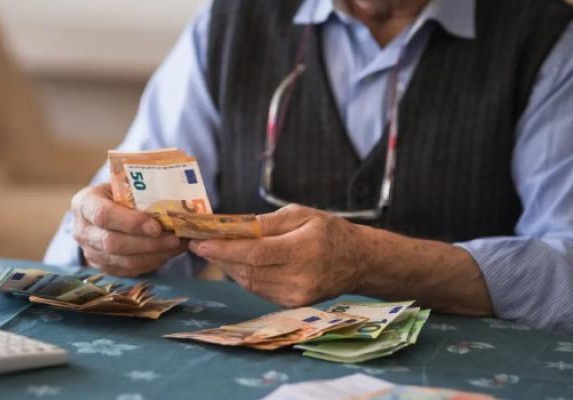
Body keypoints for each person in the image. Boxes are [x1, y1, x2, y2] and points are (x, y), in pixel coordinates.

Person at [45, 0, 573, 332]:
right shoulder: (232, 20)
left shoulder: (548, 37)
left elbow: (567, 266)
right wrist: (102, 241)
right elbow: (112, 217)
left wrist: (375, 263)